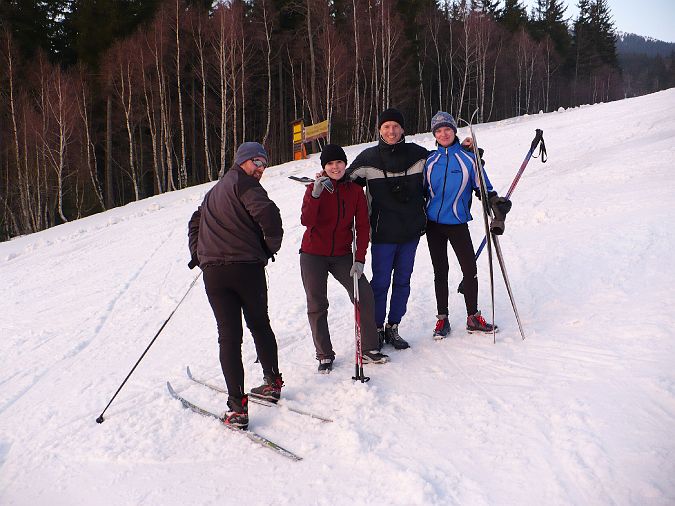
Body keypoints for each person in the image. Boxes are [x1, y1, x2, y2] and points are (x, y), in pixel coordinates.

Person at [187, 141, 284, 430]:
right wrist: (268, 249)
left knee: (229, 336)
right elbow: (270, 216)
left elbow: (195, 221)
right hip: (245, 268)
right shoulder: (245, 185)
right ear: (242, 161)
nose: (260, 169)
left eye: (264, 164)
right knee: (258, 324)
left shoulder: (215, 190)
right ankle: (272, 382)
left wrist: (199, 254)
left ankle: (237, 408)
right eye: (256, 162)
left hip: (215, 273)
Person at [299, 144, 390, 373]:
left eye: (338, 162)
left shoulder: (354, 191)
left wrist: (359, 259)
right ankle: (324, 354)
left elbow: (362, 225)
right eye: (330, 163)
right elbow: (306, 221)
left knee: (364, 293)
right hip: (313, 254)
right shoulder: (315, 188)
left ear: (345, 164)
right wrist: (315, 194)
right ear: (324, 167)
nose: (335, 167)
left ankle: (369, 348)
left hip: (342, 254)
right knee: (317, 303)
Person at [345, 108, 429, 350]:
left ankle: (393, 326)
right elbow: (344, 181)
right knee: (380, 283)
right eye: (386, 127)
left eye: (395, 126)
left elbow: (442, 164)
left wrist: (463, 148)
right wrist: (327, 176)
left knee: (403, 281)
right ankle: (377, 328)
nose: (391, 131)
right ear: (380, 130)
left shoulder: (419, 155)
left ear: (403, 129)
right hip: (382, 234)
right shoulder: (368, 158)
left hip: (410, 232)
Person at [424, 111, 512, 339]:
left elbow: (485, 189)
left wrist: (495, 204)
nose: (443, 134)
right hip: (433, 224)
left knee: (469, 270)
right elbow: (420, 191)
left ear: (454, 131)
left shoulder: (468, 159)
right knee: (440, 271)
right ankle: (442, 319)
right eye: (439, 130)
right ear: (434, 134)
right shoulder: (429, 161)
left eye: (447, 129)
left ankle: (473, 317)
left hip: (457, 223)